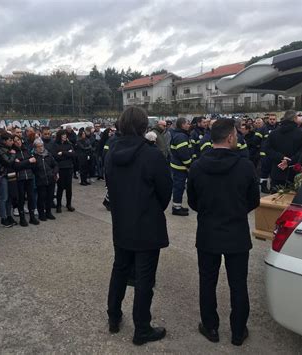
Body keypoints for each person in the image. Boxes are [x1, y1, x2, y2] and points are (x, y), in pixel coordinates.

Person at [187, 119, 260, 346]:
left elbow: (193, 201)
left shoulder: (198, 166)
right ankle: (238, 331)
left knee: (207, 282)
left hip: (208, 232)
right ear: (230, 137)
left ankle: (210, 328)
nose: (237, 138)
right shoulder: (245, 166)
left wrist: (211, 212)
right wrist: (236, 212)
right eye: (236, 135)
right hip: (236, 232)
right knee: (238, 283)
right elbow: (253, 200)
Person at [106, 106, 172, 346]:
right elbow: (166, 190)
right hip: (146, 224)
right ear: (144, 126)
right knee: (144, 279)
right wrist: (151, 209)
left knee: (119, 269)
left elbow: (110, 186)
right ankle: (141, 328)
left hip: (121, 221)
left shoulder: (111, 152)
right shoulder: (151, 154)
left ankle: (114, 317)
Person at [265, 110, 302, 192]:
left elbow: (267, 149)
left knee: (275, 200)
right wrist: (290, 160)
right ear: (295, 119)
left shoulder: (273, 133)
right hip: (295, 173)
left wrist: (281, 157)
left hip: (277, 172)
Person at [13, 135, 39, 226]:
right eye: (15, 141)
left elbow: (34, 162)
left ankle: (32, 217)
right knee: (21, 198)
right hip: (20, 178)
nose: (17, 142)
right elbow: (16, 166)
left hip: (30, 177)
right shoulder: (13, 152)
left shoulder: (26, 150)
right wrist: (28, 161)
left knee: (31, 197)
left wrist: (22, 163)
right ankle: (22, 218)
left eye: (18, 140)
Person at [0, 132, 18, 227]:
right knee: (4, 197)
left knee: (10, 196)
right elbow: (8, 162)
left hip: (9, 173)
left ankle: (9, 215)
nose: (12, 142)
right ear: (4, 141)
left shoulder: (7, 149)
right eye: (10, 140)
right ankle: (3, 217)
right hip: (2, 174)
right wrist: (13, 155)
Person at [169, 117, 192, 216]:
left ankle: (177, 206)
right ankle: (176, 208)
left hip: (179, 166)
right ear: (182, 125)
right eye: (187, 123)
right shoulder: (181, 136)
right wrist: (189, 164)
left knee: (179, 187)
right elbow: (183, 154)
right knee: (179, 187)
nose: (189, 125)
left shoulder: (180, 135)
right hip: (180, 167)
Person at [33, 139, 58, 221]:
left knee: (50, 197)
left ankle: (48, 212)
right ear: (35, 148)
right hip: (41, 180)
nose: (41, 148)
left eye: (42, 146)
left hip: (50, 179)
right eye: (39, 147)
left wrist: (54, 173)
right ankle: (41, 214)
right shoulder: (34, 156)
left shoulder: (48, 154)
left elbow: (55, 165)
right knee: (41, 197)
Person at [54, 130, 75, 213]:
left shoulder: (69, 144)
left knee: (69, 188)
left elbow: (73, 154)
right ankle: (58, 205)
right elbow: (56, 157)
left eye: (65, 135)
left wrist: (62, 153)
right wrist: (67, 154)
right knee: (60, 187)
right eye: (63, 135)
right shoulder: (55, 145)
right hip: (61, 168)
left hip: (69, 168)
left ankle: (69, 204)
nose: (65, 136)